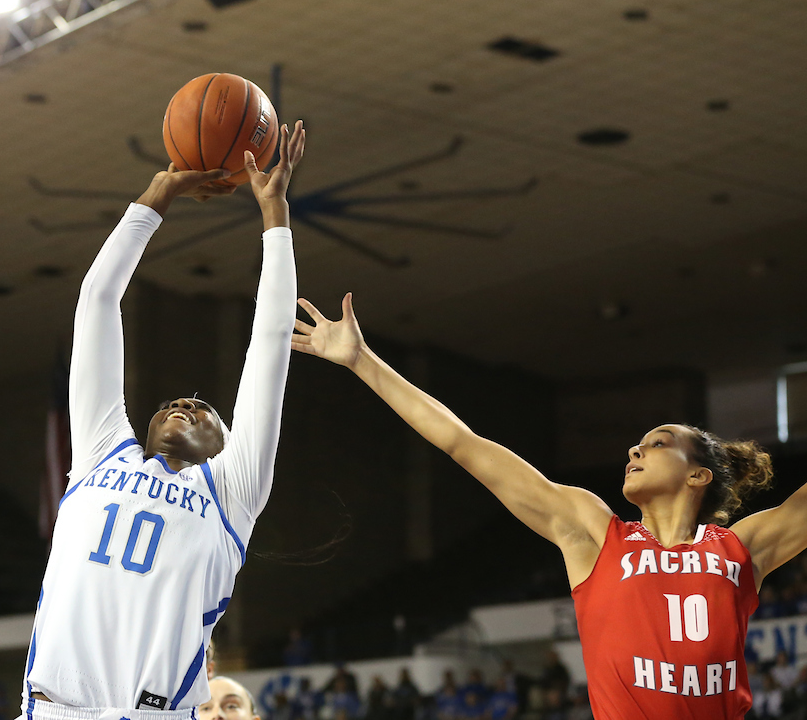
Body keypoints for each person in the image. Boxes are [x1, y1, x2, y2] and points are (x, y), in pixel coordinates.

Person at [290, 292, 807, 720]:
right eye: (637, 444)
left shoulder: (742, 549)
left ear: (698, 475)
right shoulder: (595, 532)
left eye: (658, 442)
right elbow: (463, 443)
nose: (635, 450)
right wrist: (361, 360)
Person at [21, 124, 306, 718]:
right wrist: (157, 196)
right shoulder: (101, 451)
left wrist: (274, 216)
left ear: (228, 444)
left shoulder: (233, 489)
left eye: (204, 409)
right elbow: (97, 301)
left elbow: (271, 340)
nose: (186, 404)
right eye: (175, 403)